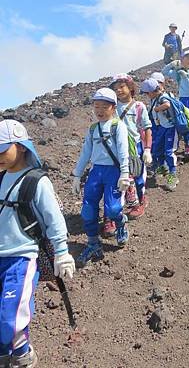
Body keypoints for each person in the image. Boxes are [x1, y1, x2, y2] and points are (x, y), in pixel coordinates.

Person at [0, 120, 75, 368]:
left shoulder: (36, 181)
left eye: (3, 149)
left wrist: (62, 253)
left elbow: (54, 219)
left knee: (10, 317)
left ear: (21, 146)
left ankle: (23, 354)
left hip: (21, 258)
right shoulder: (1, 178)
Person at [72, 88, 130, 266]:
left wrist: (125, 173)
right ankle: (93, 243)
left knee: (112, 209)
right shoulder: (92, 129)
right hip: (96, 171)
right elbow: (85, 153)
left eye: (104, 106)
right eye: (96, 106)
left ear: (113, 107)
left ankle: (121, 223)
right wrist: (77, 175)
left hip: (113, 171)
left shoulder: (118, 126)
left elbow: (123, 150)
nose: (99, 110)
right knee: (88, 210)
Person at [109, 73, 152, 220]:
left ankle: (140, 200)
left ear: (130, 87)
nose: (119, 91)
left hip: (135, 147)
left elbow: (147, 128)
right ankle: (124, 205)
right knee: (123, 177)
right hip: (117, 148)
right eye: (115, 89)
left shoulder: (139, 106)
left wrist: (147, 149)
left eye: (121, 87)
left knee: (138, 176)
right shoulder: (112, 108)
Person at [162, 50, 189, 160]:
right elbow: (164, 72)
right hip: (182, 100)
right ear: (182, 59)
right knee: (184, 122)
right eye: (187, 58)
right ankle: (186, 142)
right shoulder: (178, 73)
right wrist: (172, 64)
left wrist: (187, 75)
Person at [140, 78, 179, 192]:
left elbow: (167, 105)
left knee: (169, 152)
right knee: (157, 150)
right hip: (162, 127)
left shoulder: (162, 97)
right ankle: (163, 170)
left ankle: (172, 176)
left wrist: (157, 109)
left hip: (170, 128)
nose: (147, 95)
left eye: (147, 93)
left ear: (152, 91)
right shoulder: (154, 99)